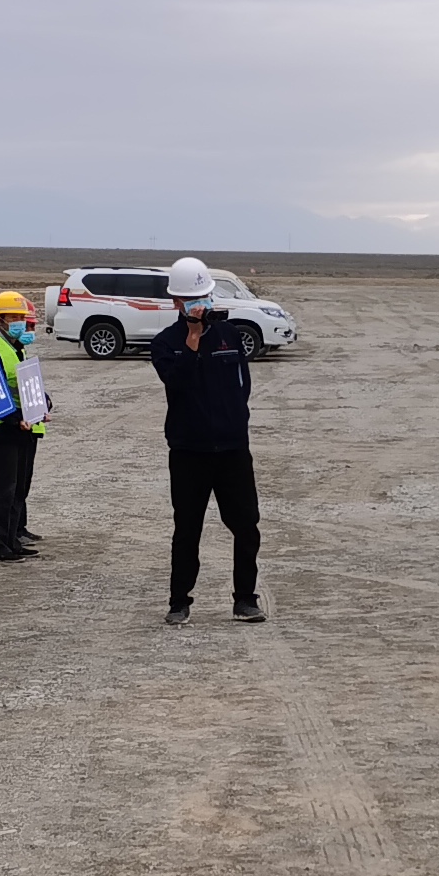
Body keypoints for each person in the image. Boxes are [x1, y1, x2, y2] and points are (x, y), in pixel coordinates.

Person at [148, 255, 264, 624]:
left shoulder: (230, 335)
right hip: (189, 452)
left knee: (246, 527)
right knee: (187, 530)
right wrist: (193, 339)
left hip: (232, 451)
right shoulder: (164, 344)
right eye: (193, 300)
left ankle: (245, 599)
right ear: (176, 303)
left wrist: (236, 423)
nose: (202, 304)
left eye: (205, 296)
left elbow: (242, 386)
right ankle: (179, 602)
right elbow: (176, 384)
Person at [0, 288, 49, 560]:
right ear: (1, 319)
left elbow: (25, 386)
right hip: (0, 429)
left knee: (17, 488)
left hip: (20, 428)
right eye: (15, 317)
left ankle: (12, 540)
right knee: (2, 489)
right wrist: (16, 418)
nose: (20, 322)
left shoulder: (16, 348)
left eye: (22, 317)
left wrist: (43, 404)